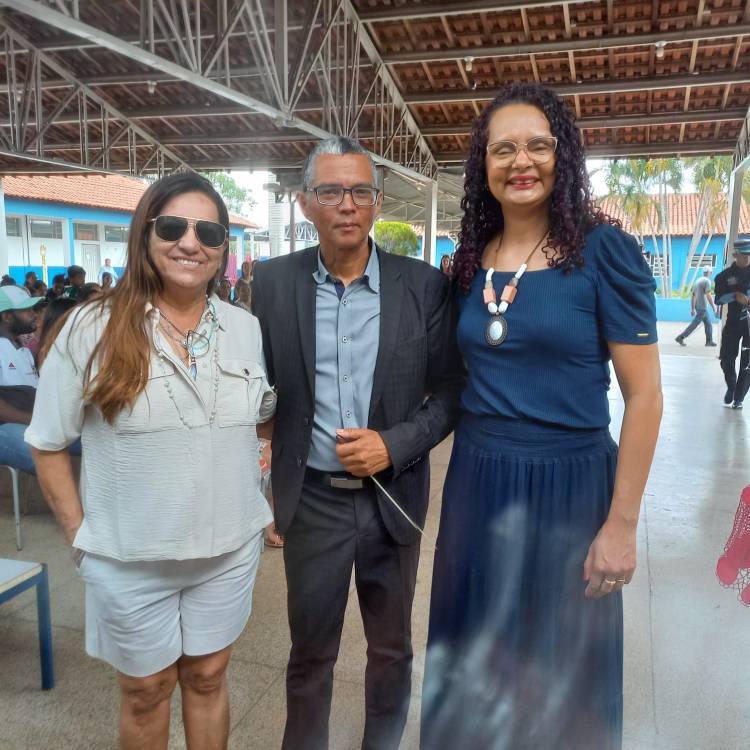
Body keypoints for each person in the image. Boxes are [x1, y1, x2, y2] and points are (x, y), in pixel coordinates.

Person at [420, 83, 663, 750]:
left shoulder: (602, 251)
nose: (520, 161)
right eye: (503, 149)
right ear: (484, 167)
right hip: (479, 483)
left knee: (560, 674)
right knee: (475, 655)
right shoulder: (471, 262)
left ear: (563, 157)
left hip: (571, 489)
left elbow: (644, 397)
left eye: (537, 145)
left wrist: (621, 523)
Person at [25, 172, 276, 750]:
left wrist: (257, 474)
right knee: (147, 689)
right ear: (145, 235)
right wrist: (79, 538)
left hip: (227, 549)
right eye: (173, 226)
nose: (190, 242)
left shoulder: (245, 328)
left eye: (208, 231)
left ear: (222, 250)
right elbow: (47, 443)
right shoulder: (91, 328)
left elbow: (262, 413)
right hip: (129, 556)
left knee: (209, 677)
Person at [252, 136, 464, 750]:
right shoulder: (272, 283)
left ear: (376, 203)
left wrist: (395, 444)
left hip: (392, 499)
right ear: (305, 203)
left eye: (361, 192)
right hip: (312, 501)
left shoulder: (423, 286)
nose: (347, 204)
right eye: (330, 191)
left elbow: (452, 390)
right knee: (310, 653)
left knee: (391, 650)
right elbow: (257, 384)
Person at [0, 285, 39, 475]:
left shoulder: (23, 350)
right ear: (7, 316)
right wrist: (37, 421)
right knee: (46, 454)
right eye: (27, 310)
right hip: (4, 429)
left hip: (31, 424)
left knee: (89, 439)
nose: (34, 314)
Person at [714, 238, 750, 409]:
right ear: (736, 255)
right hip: (734, 321)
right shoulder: (724, 276)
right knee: (726, 358)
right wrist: (735, 296)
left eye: (749, 254)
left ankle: (739, 398)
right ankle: (731, 385)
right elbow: (719, 299)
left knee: (747, 361)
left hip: (749, 323)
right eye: (744, 255)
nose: (747, 258)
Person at [675, 267, 718, 347]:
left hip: (698, 307)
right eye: (711, 272)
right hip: (703, 307)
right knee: (695, 324)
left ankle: (709, 341)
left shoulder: (697, 281)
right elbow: (708, 294)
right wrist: (714, 306)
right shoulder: (707, 281)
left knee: (708, 324)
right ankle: (681, 337)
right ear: (709, 272)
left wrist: (692, 308)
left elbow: (693, 296)